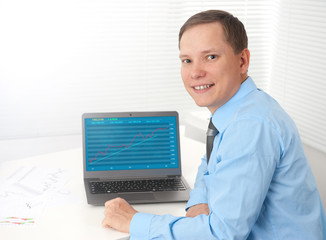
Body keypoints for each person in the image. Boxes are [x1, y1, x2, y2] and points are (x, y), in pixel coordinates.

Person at [102, 10, 326, 239]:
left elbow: (222, 234)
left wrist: (135, 222)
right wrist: (199, 202)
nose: (196, 72)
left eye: (210, 57)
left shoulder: (251, 126)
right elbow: (209, 164)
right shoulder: (238, 108)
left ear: (242, 61)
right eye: (187, 60)